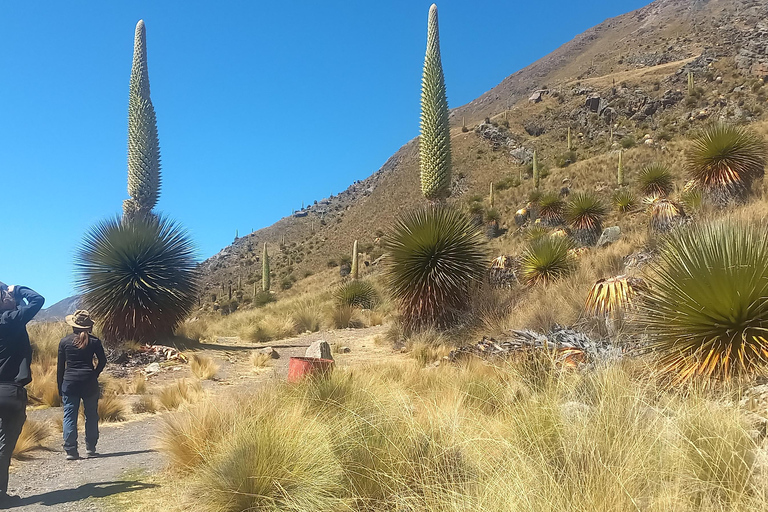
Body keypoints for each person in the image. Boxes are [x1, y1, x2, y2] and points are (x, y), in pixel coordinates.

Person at [0, 281, 44, 505]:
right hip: (9, 391)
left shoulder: (11, 318)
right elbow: (37, 300)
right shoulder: (10, 321)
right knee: (4, 446)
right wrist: (17, 289)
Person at [57, 310, 106, 460]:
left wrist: (60, 387)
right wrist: (94, 374)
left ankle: (71, 450)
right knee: (91, 415)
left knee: (69, 415)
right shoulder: (95, 341)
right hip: (89, 382)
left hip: (70, 382)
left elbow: (60, 367)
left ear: (73, 326)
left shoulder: (64, 342)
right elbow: (102, 361)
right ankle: (91, 448)